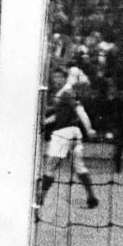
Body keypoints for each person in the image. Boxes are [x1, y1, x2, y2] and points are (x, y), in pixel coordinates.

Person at [37, 68, 99, 209]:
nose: (56, 79)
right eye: (54, 77)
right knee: (79, 167)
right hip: (74, 133)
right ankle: (91, 196)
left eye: (59, 77)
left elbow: (79, 110)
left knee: (50, 166)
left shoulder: (66, 92)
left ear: (64, 78)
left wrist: (89, 128)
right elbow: (60, 115)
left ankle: (41, 197)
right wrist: (45, 122)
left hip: (63, 134)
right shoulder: (63, 94)